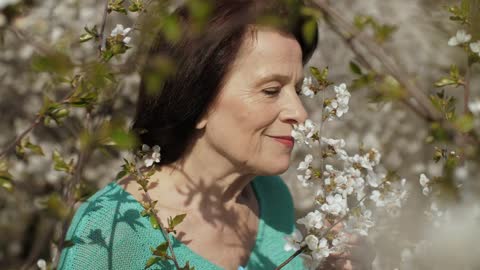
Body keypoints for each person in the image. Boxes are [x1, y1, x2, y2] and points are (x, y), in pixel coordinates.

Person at [58, 0, 371, 269]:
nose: (301, 113)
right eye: (271, 90)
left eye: (298, 90)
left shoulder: (273, 200)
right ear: (198, 101)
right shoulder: (112, 231)